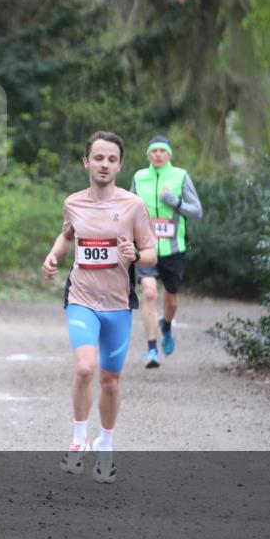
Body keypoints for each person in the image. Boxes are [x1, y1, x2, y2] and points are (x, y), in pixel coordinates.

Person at [42, 131, 156, 483]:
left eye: (111, 159)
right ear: (86, 161)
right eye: (98, 158)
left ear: (120, 165)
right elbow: (68, 235)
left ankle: (105, 444)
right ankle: (79, 440)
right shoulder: (73, 203)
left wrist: (135, 255)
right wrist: (53, 255)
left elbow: (152, 252)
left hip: (118, 304)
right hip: (81, 298)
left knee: (110, 380)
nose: (104, 164)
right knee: (85, 368)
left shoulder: (133, 206)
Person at [129, 136, 203, 368]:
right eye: (154, 151)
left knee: (171, 300)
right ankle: (152, 351)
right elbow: (127, 207)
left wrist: (175, 201)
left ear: (169, 155)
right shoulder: (139, 177)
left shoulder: (180, 176)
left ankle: (167, 325)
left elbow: (197, 211)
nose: (158, 155)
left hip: (173, 249)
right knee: (149, 294)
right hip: (146, 247)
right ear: (148, 155)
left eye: (163, 151)